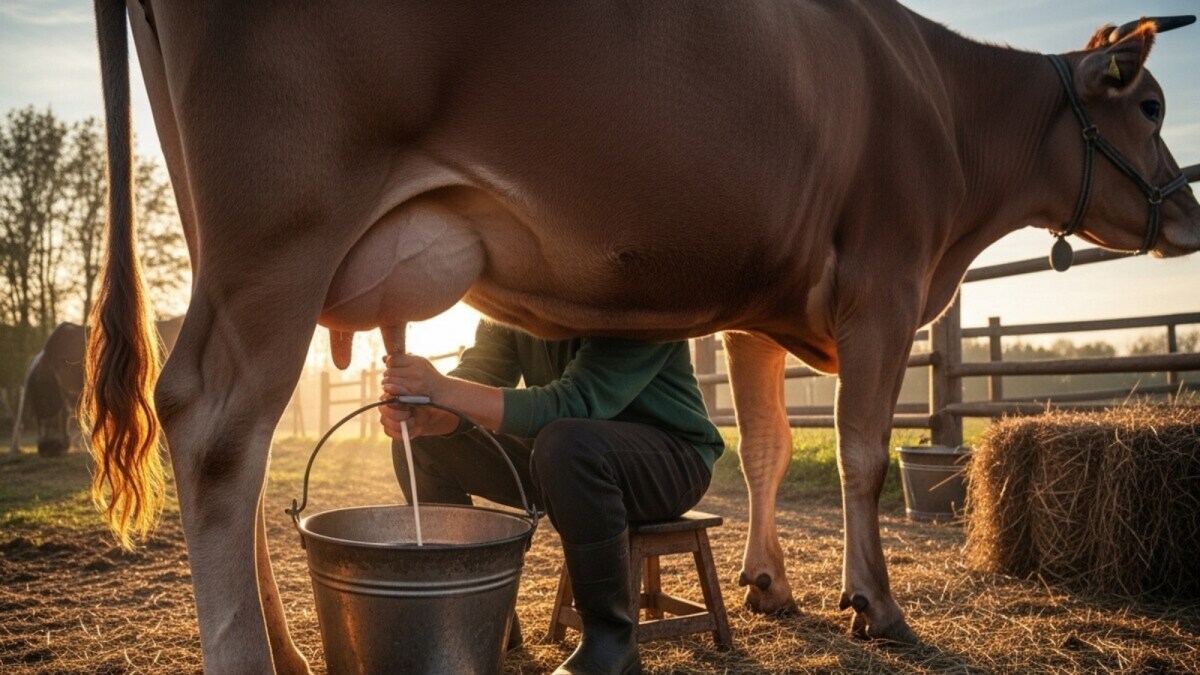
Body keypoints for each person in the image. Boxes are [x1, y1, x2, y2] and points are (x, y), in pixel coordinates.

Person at [379, 319, 723, 675]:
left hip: (671, 458)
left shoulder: (644, 292)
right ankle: (483, 619)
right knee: (420, 441)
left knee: (567, 443)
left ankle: (610, 643)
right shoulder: (518, 293)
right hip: (563, 449)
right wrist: (431, 412)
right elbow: (483, 371)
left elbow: (574, 401)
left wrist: (443, 390)